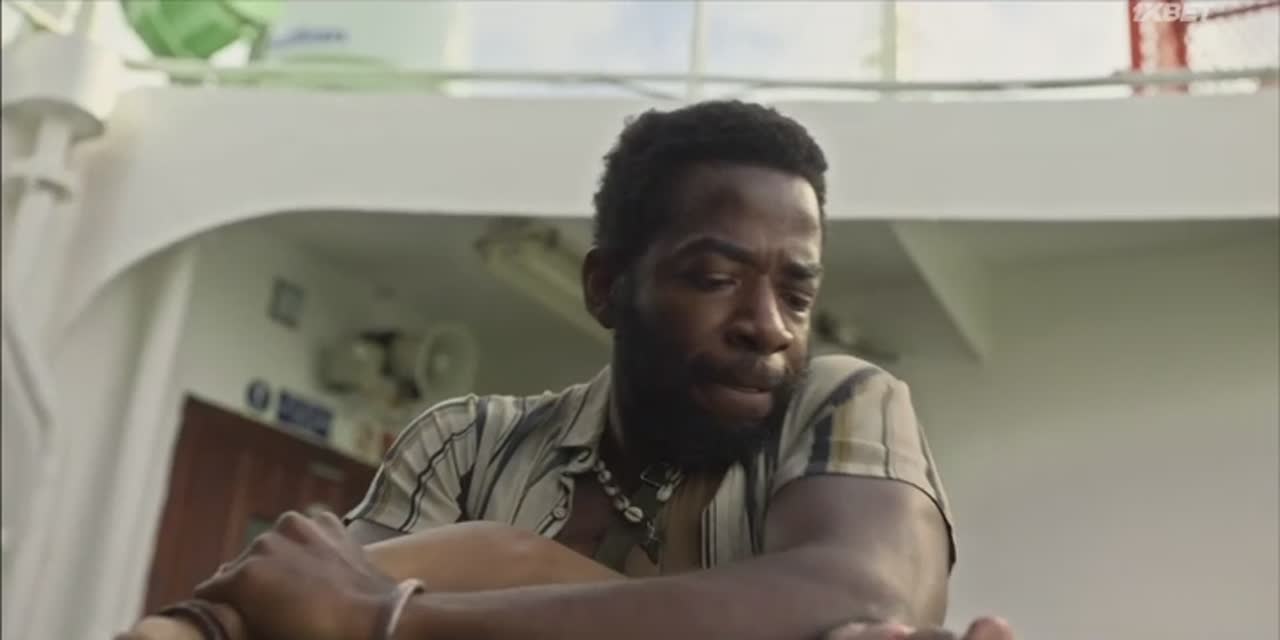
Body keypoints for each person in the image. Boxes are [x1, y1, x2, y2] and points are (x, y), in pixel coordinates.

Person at [119, 101, 1014, 640]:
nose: (768, 327)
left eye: (797, 290)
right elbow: (292, 608)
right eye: (715, 278)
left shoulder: (838, 400)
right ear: (606, 287)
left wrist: (396, 621)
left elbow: (863, 594)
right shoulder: (465, 444)